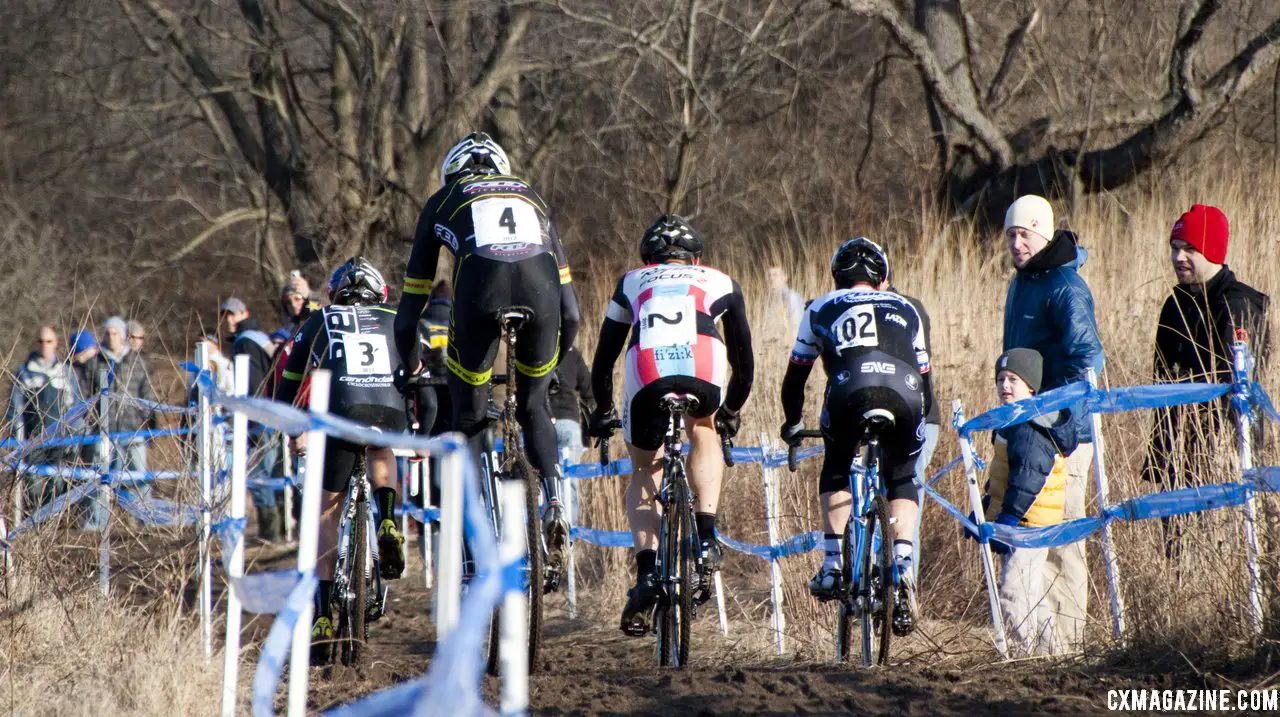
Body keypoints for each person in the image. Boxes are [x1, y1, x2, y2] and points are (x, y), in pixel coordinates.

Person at [393, 131, 580, 581]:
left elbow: (409, 311)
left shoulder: (443, 200)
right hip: (543, 293)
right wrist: (554, 362)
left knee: (470, 416)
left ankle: (474, 548)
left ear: (452, 172)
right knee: (533, 404)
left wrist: (412, 364)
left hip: (480, 289)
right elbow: (571, 312)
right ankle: (555, 498)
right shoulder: (531, 196)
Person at [587, 214, 755, 636]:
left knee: (644, 468)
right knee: (704, 429)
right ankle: (706, 532)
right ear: (696, 258)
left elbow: (604, 358)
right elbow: (744, 360)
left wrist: (604, 410)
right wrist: (730, 410)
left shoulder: (632, 282)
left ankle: (647, 573)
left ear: (648, 259)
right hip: (703, 361)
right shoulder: (720, 280)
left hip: (648, 369)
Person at [779, 236, 929, 636]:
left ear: (838, 279)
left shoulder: (821, 305)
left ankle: (832, 565)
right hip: (906, 394)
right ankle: (902, 565)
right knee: (901, 475)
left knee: (836, 462)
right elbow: (926, 383)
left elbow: (795, 379)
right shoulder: (906, 306)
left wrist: (792, 423)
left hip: (849, 393)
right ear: (882, 279)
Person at [276, 257, 408, 662]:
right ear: (380, 293)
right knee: (382, 450)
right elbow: (420, 372)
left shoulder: (321, 320)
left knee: (325, 512)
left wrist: (292, 426)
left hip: (340, 415)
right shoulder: (398, 316)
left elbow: (291, 375)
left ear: (335, 294)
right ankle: (387, 517)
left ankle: (320, 613)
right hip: (388, 412)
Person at [1001, 194, 1104, 653]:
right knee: (1033, 537)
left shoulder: (1066, 286)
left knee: (1063, 540)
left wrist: (1051, 411)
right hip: (1025, 429)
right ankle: (1043, 647)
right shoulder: (1022, 282)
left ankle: (1069, 645)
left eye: (1024, 234)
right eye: (1010, 235)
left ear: (1043, 234)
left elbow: (1087, 359)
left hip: (1065, 434)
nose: (1016, 243)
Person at [1142, 204, 1270, 557]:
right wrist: (1162, 453)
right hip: (1178, 455)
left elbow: (1243, 382)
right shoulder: (1175, 304)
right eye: (1174, 247)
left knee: (1221, 551)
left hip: (1219, 453)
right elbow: (1163, 380)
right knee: (1178, 555)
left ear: (1212, 251)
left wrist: (1229, 449)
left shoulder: (1239, 304)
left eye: (1189, 249)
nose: (1178, 257)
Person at [976, 348, 1080, 656]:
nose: (1005, 386)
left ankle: (1026, 657)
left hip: (1027, 524)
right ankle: (1056, 655)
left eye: (1013, 380)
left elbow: (1027, 478)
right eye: (1000, 379)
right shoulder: (1014, 420)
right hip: (1025, 520)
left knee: (1014, 594)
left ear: (1031, 386)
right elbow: (1004, 475)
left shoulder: (1031, 425)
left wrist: (1007, 519)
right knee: (1033, 597)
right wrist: (986, 510)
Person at [82, 316, 158, 529]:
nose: (111, 337)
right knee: (99, 479)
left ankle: (146, 520)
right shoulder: (94, 364)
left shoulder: (136, 362)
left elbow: (148, 396)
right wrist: (91, 424)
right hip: (103, 431)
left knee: (139, 477)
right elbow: (87, 397)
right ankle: (95, 524)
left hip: (133, 431)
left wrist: (148, 425)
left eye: (115, 333)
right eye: (107, 333)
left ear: (123, 336)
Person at [222, 297, 283, 541]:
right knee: (270, 472)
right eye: (225, 316)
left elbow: (252, 383)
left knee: (259, 472)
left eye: (232, 315)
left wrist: (250, 415)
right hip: (270, 414)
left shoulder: (245, 342)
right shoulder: (260, 336)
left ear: (244, 313)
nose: (228, 320)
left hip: (258, 417)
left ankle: (271, 534)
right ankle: (279, 531)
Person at [892, 287, 939, 582]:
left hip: (915, 416)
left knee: (905, 505)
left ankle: (904, 592)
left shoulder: (908, 308)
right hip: (871, 417)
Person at [7, 327, 83, 510]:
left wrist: (74, 436)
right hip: (33, 440)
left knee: (56, 484)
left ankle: (53, 526)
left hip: (59, 440)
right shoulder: (24, 372)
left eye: (49, 341)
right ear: (35, 343)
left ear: (56, 343)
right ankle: (30, 528)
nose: (45, 346)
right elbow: (15, 409)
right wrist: (17, 438)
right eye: (41, 341)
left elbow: (76, 408)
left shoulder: (65, 372)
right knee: (32, 485)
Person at [549, 343, 594, 523]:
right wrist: (590, 429)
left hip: (542, 421)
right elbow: (588, 391)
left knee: (542, 481)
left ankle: (543, 532)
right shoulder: (572, 352)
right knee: (569, 482)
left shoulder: (536, 344)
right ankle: (568, 535)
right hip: (569, 423)